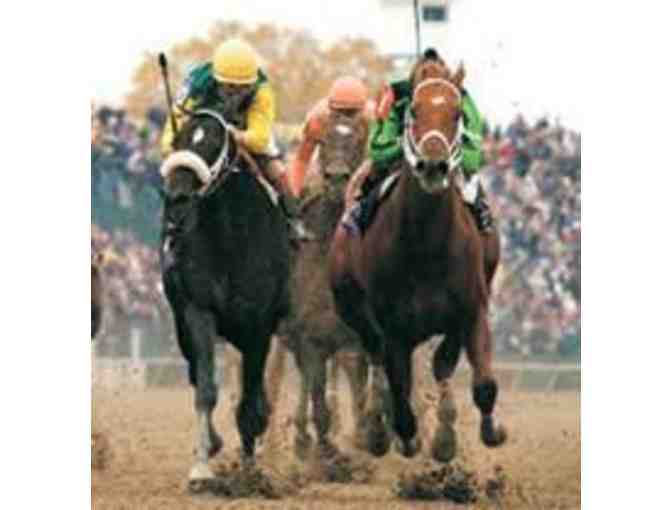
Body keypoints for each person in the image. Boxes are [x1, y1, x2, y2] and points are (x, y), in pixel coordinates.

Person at [160, 38, 312, 241]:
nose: (236, 94)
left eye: (243, 88)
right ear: (217, 80)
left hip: (242, 129)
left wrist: (235, 135)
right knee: (177, 172)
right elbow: (175, 121)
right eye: (230, 87)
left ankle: (293, 219)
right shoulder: (196, 82)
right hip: (203, 131)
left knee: (275, 168)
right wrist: (173, 147)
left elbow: (259, 138)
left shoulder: (262, 90)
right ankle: (171, 224)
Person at [352, 48, 494, 232]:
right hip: (404, 157)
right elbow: (379, 152)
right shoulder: (398, 97)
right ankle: (360, 214)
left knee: (472, 186)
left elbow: (472, 159)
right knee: (372, 176)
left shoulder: (462, 101)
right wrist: (404, 147)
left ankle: (482, 219)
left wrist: (451, 156)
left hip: (449, 159)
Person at [289, 76, 374, 199]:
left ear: (362, 108)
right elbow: (302, 159)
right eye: (339, 111)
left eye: (351, 112)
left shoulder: (373, 118)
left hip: (360, 162)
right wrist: (293, 195)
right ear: (330, 107)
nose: (344, 117)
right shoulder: (318, 118)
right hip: (325, 166)